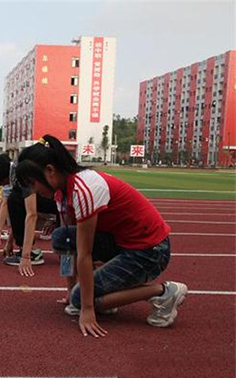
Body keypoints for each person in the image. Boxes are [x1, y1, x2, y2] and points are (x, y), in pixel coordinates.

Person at [15, 135, 187, 338]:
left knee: (82, 298)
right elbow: (69, 246)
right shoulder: (62, 194)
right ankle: (98, 297)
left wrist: (86, 308)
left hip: (150, 251)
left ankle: (165, 291)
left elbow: (84, 254)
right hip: (122, 243)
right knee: (61, 237)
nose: (34, 191)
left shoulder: (84, 189)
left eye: (33, 183)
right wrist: (70, 291)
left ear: (50, 171)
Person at [0, 153, 59, 272]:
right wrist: (10, 242)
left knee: (15, 199)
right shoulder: (15, 170)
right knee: (14, 199)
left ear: (2, 179)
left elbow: (31, 214)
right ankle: (28, 249)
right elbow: (18, 211)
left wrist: (26, 257)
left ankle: (33, 252)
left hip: (61, 199)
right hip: (55, 199)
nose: (2, 186)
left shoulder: (22, 174)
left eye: (0, 184)